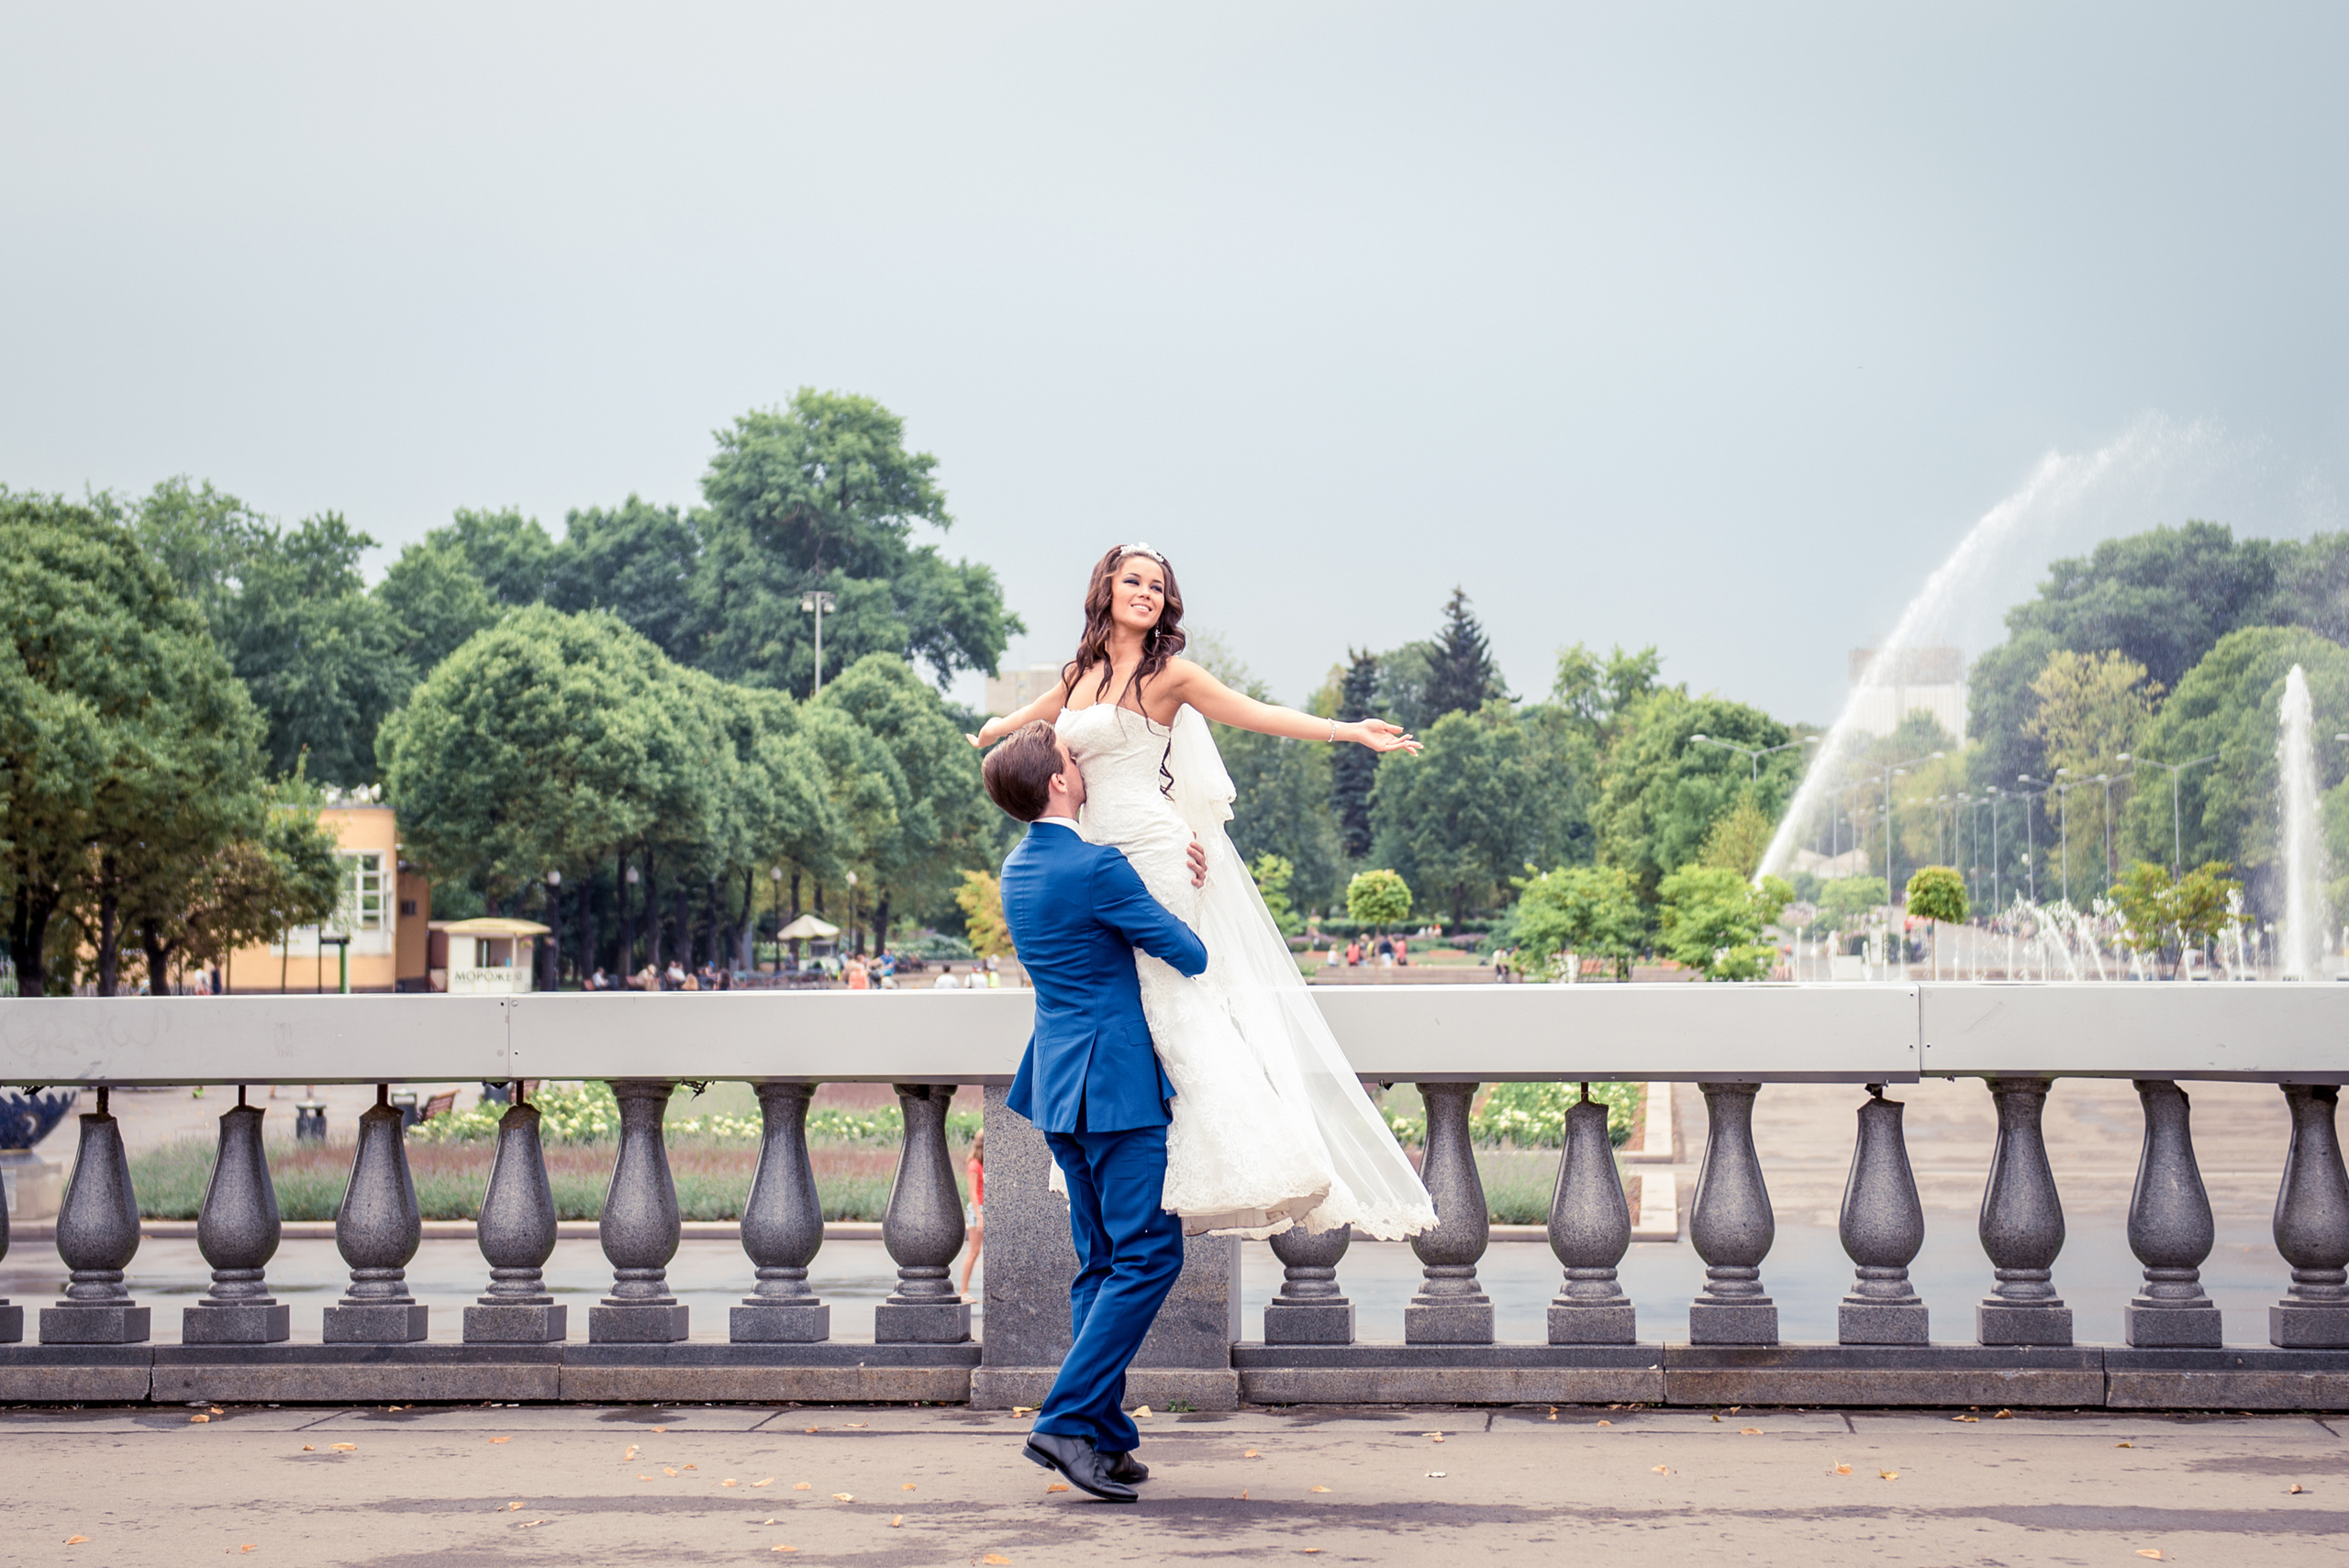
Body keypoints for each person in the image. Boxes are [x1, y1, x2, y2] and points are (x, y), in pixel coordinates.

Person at [970, 542, 1437, 1242]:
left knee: (1170, 995)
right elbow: (1040, 713)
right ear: (1106, 588)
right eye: (1134, 580)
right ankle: (1136, 1144)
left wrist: (1349, 732)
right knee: (1118, 998)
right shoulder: (1078, 674)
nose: (1147, 593)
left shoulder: (1171, 676)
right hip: (1094, 849)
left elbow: (1257, 713)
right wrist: (998, 731)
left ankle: (1233, 1158)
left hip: (1153, 850)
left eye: (1158, 586)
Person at [980, 720, 1210, 1503]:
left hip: (1055, 1084)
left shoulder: (1016, 868)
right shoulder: (1096, 865)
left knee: (1102, 1259)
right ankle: (1067, 1422)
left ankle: (1105, 1436)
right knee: (1150, 1252)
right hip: (1113, 1086)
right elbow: (1187, 950)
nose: (1082, 767)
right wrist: (1187, 886)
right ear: (1058, 784)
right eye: (1074, 761)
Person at [959, 1128, 985, 1298]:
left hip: (984, 1209)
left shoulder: (983, 1163)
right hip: (978, 1209)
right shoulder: (974, 1165)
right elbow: (972, 1193)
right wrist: (980, 1216)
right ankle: (963, 1291)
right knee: (974, 1251)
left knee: (977, 1252)